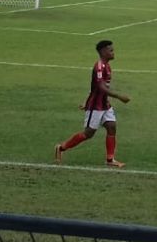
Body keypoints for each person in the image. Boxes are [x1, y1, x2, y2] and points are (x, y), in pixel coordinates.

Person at [54, 40, 130, 168]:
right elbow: (100, 87)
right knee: (88, 133)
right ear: (103, 52)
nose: (113, 52)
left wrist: (86, 99)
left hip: (105, 104)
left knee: (111, 126)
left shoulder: (107, 66)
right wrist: (119, 96)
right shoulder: (99, 66)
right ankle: (61, 148)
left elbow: (94, 86)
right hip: (96, 106)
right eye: (110, 50)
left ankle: (110, 160)